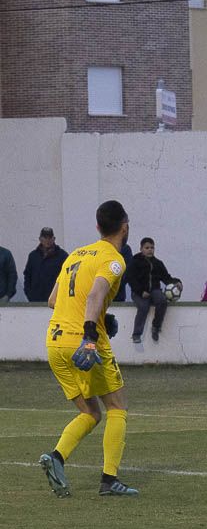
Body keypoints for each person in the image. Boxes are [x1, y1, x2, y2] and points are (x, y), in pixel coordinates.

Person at [37, 200, 138, 497]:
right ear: (125, 226)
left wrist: (98, 314)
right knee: (117, 406)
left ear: (97, 227)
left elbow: (53, 300)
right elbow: (95, 293)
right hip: (83, 342)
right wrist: (91, 332)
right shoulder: (114, 259)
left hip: (55, 342)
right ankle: (109, 481)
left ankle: (56, 458)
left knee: (90, 412)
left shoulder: (76, 255)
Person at [127, 237, 180, 343]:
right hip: (139, 292)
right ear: (141, 249)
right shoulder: (135, 261)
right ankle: (136, 334)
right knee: (143, 307)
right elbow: (131, 278)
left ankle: (156, 327)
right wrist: (141, 291)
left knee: (162, 301)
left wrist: (177, 282)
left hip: (154, 290)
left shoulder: (158, 263)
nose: (150, 250)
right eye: (147, 248)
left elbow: (166, 277)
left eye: (152, 247)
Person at [24, 227, 68, 303]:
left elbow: (67, 276)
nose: (47, 240)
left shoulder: (62, 256)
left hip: (56, 300)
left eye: (50, 238)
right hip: (35, 300)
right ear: (40, 239)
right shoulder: (33, 256)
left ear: (54, 239)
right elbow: (27, 276)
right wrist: (30, 295)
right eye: (45, 237)